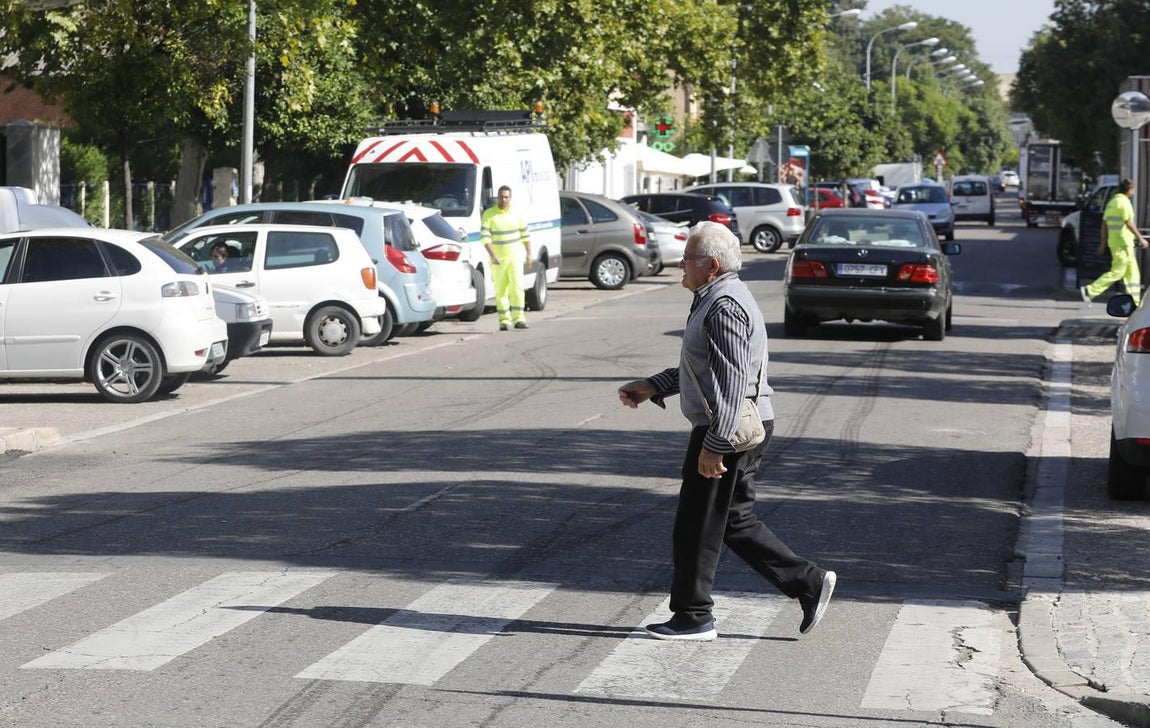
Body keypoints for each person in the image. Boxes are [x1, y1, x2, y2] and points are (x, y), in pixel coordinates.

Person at [617, 221, 835, 641]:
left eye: (688, 258)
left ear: (711, 265)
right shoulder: (713, 296)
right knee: (732, 520)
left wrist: (715, 445)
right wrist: (654, 385)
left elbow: (734, 380)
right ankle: (809, 582)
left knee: (696, 524)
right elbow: (706, 370)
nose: (680, 264)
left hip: (728, 427)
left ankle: (694, 616)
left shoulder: (724, 305)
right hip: (733, 422)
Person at [1082, 178, 1149, 305]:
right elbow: (1128, 222)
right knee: (1118, 272)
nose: (1134, 192)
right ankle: (1090, 290)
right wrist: (1141, 238)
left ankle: (1134, 301)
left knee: (1132, 273)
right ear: (1128, 190)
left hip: (1117, 243)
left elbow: (1104, 225)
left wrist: (1103, 243)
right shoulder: (1124, 203)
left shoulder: (1112, 202)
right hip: (1123, 243)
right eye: (1133, 189)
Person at [481, 185, 532, 331]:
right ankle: (504, 320)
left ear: (510, 198)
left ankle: (519, 319)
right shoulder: (489, 214)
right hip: (498, 259)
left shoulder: (517, 214)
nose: (503, 200)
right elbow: (485, 238)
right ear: (497, 197)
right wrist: (493, 255)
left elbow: (525, 235)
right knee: (501, 290)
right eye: (501, 197)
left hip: (515, 257)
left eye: (506, 197)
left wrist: (529, 254)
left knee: (517, 287)